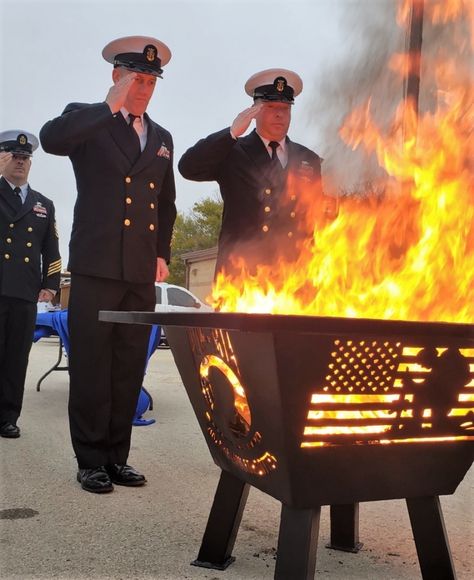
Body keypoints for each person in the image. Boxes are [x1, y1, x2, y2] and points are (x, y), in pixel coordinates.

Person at [40, 36, 177, 493]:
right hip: (97, 266)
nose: (145, 88)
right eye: (137, 78)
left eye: (151, 80)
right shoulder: (88, 119)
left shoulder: (161, 137)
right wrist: (107, 105)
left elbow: (167, 203)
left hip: (139, 271)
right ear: (117, 76)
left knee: (127, 366)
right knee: (93, 367)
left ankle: (118, 457)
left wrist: (162, 254)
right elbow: (50, 139)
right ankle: (91, 459)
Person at [178, 68, 326, 275]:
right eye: (271, 106)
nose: (279, 114)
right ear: (254, 110)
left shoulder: (307, 158)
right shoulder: (232, 150)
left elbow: (317, 215)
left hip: (294, 274)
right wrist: (231, 133)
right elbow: (188, 168)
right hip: (242, 273)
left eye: (285, 108)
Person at [0, 130, 61, 438]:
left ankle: (8, 416)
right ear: (2, 159)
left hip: (24, 292)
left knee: (16, 357)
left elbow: (51, 249)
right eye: (14, 157)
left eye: (25, 158)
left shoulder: (43, 204)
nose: (20, 163)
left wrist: (51, 284)